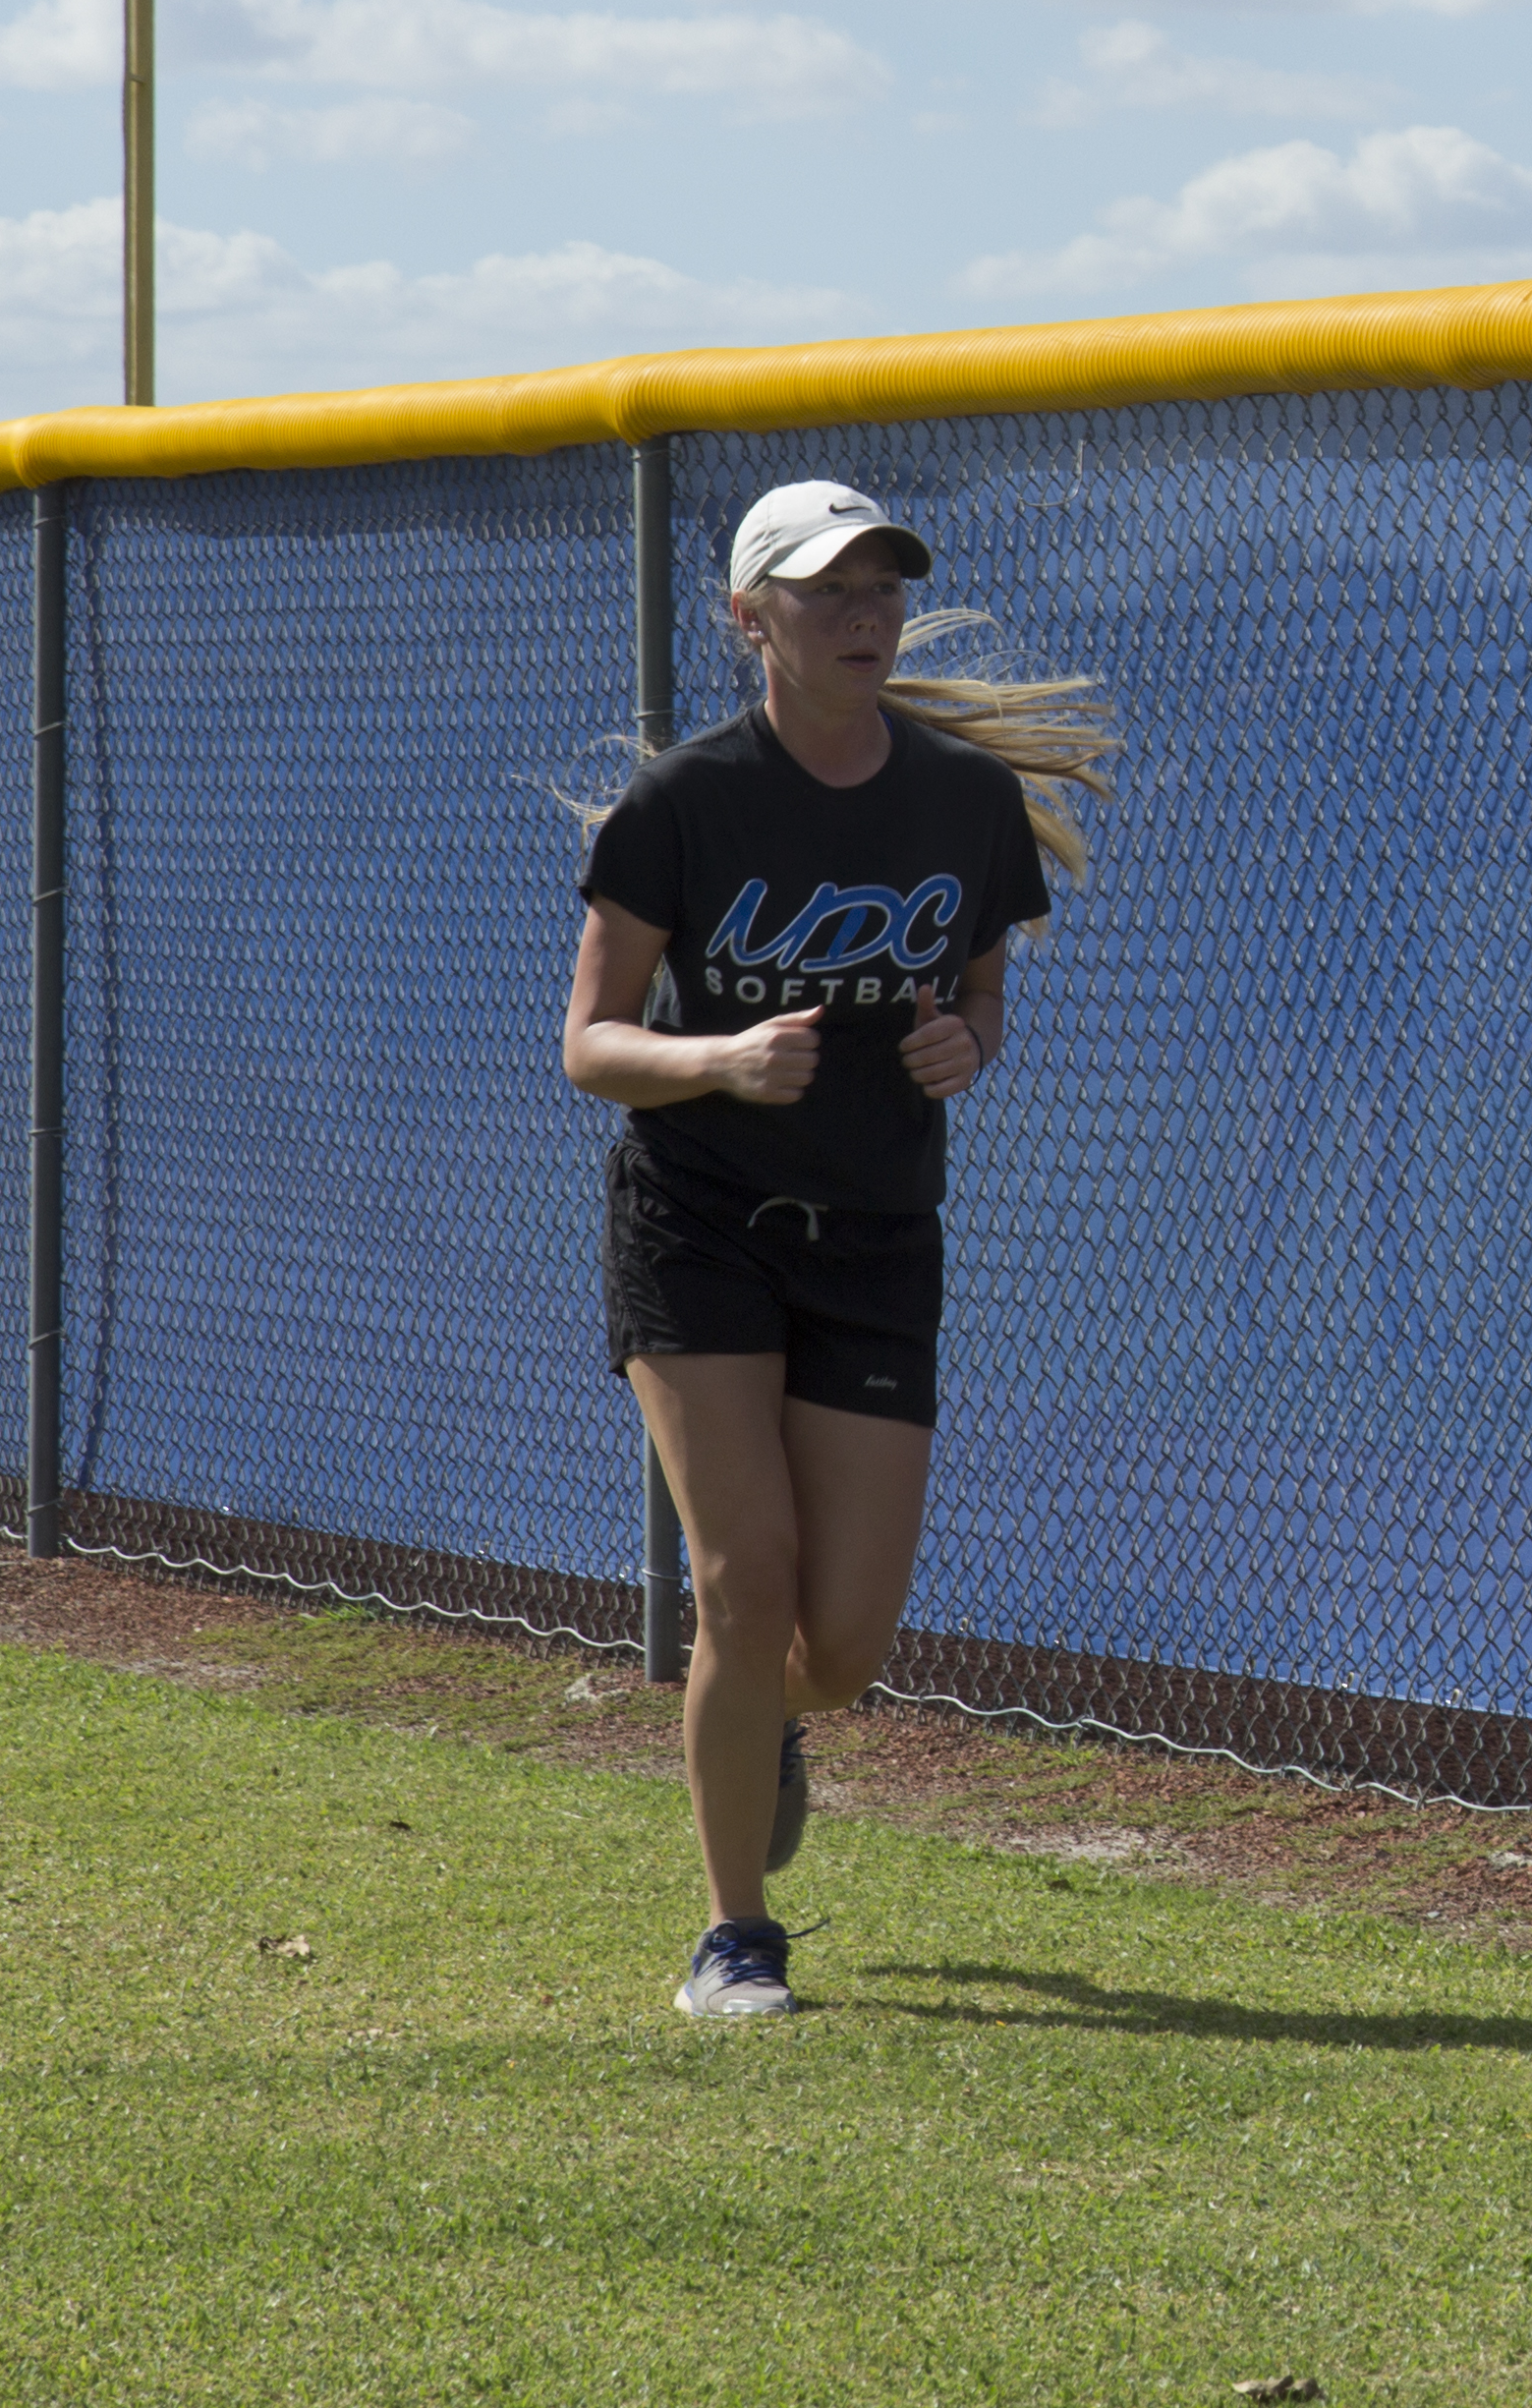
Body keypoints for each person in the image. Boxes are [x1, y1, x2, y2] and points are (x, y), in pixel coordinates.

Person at [559, 478, 1108, 2019]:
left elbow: (982, 986)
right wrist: (721, 1061)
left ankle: (765, 1722)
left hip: (872, 1230)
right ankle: (734, 1940)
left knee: (844, 1644)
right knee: (744, 1584)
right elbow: (592, 1045)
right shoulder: (684, 805)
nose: (864, 613)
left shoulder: (959, 800)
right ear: (752, 621)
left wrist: (970, 1045)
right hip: (701, 1224)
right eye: (825, 590)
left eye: (882, 587)